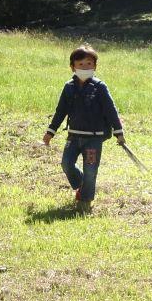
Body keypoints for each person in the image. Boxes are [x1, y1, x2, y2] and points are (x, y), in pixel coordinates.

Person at [43, 44, 125, 214]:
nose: (85, 67)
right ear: (72, 67)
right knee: (66, 164)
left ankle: (85, 200)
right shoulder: (69, 87)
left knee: (90, 170)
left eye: (89, 64)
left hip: (94, 138)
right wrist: (51, 131)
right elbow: (61, 111)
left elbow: (111, 110)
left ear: (94, 66)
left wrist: (119, 132)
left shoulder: (100, 87)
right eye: (80, 64)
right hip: (73, 136)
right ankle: (82, 185)